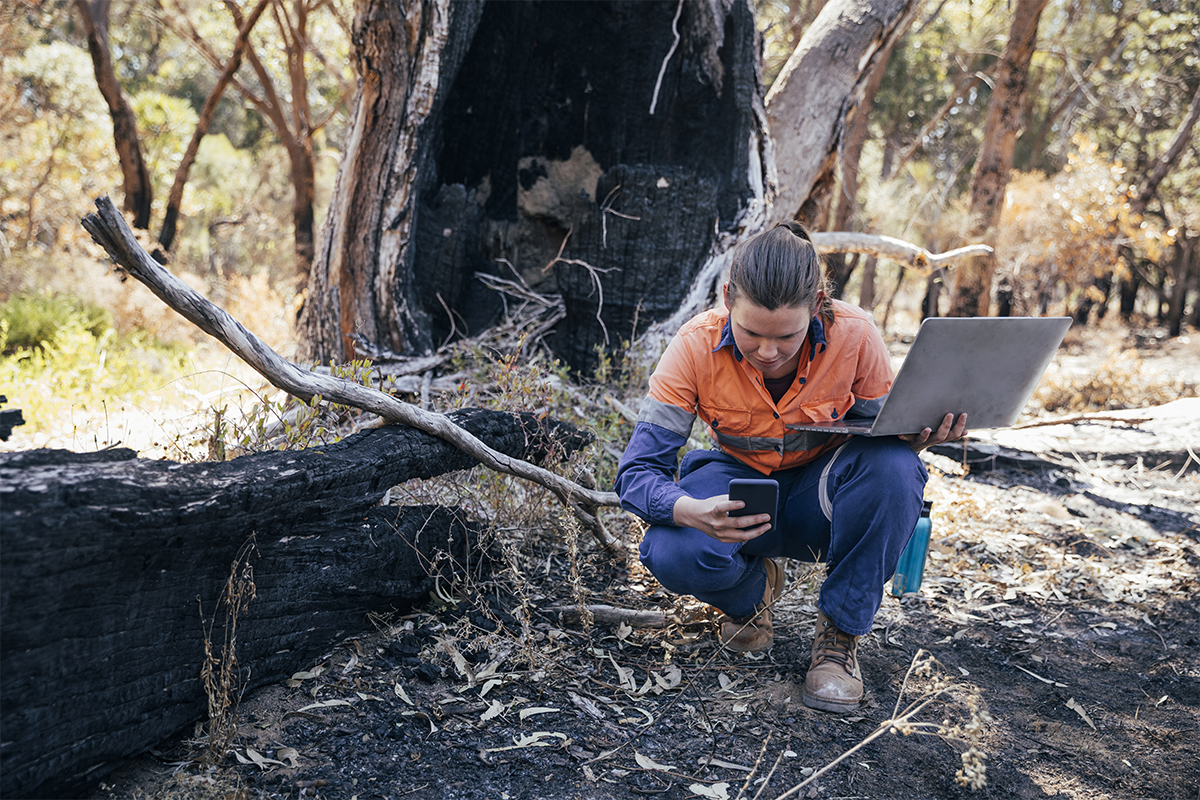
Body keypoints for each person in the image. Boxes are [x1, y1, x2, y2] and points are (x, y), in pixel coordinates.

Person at [614, 221, 966, 713]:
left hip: (821, 501)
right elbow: (637, 474)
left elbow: (883, 453)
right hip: (738, 495)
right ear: (727, 296)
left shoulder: (856, 335)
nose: (769, 352)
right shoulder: (693, 346)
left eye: (788, 336)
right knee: (668, 549)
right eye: (751, 333)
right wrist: (690, 509)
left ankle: (839, 637)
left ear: (818, 304)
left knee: (896, 467)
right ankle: (752, 597)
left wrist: (918, 437)